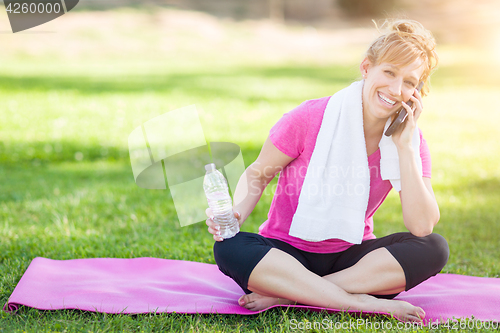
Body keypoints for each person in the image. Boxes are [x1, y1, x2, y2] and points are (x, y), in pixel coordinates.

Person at [205, 19, 449, 323]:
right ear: (366, 68)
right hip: (286, 253)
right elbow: (258, 173)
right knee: (229, 247)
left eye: (410, 82)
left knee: (434, 247)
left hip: (351, 261)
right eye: (388, 72)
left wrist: (405, 148)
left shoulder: (410, 141)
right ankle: (366, 304)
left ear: (417, 92)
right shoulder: (310, 117)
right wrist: (239, 211)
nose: (396, 89)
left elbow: (422, 225)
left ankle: (290, 295)